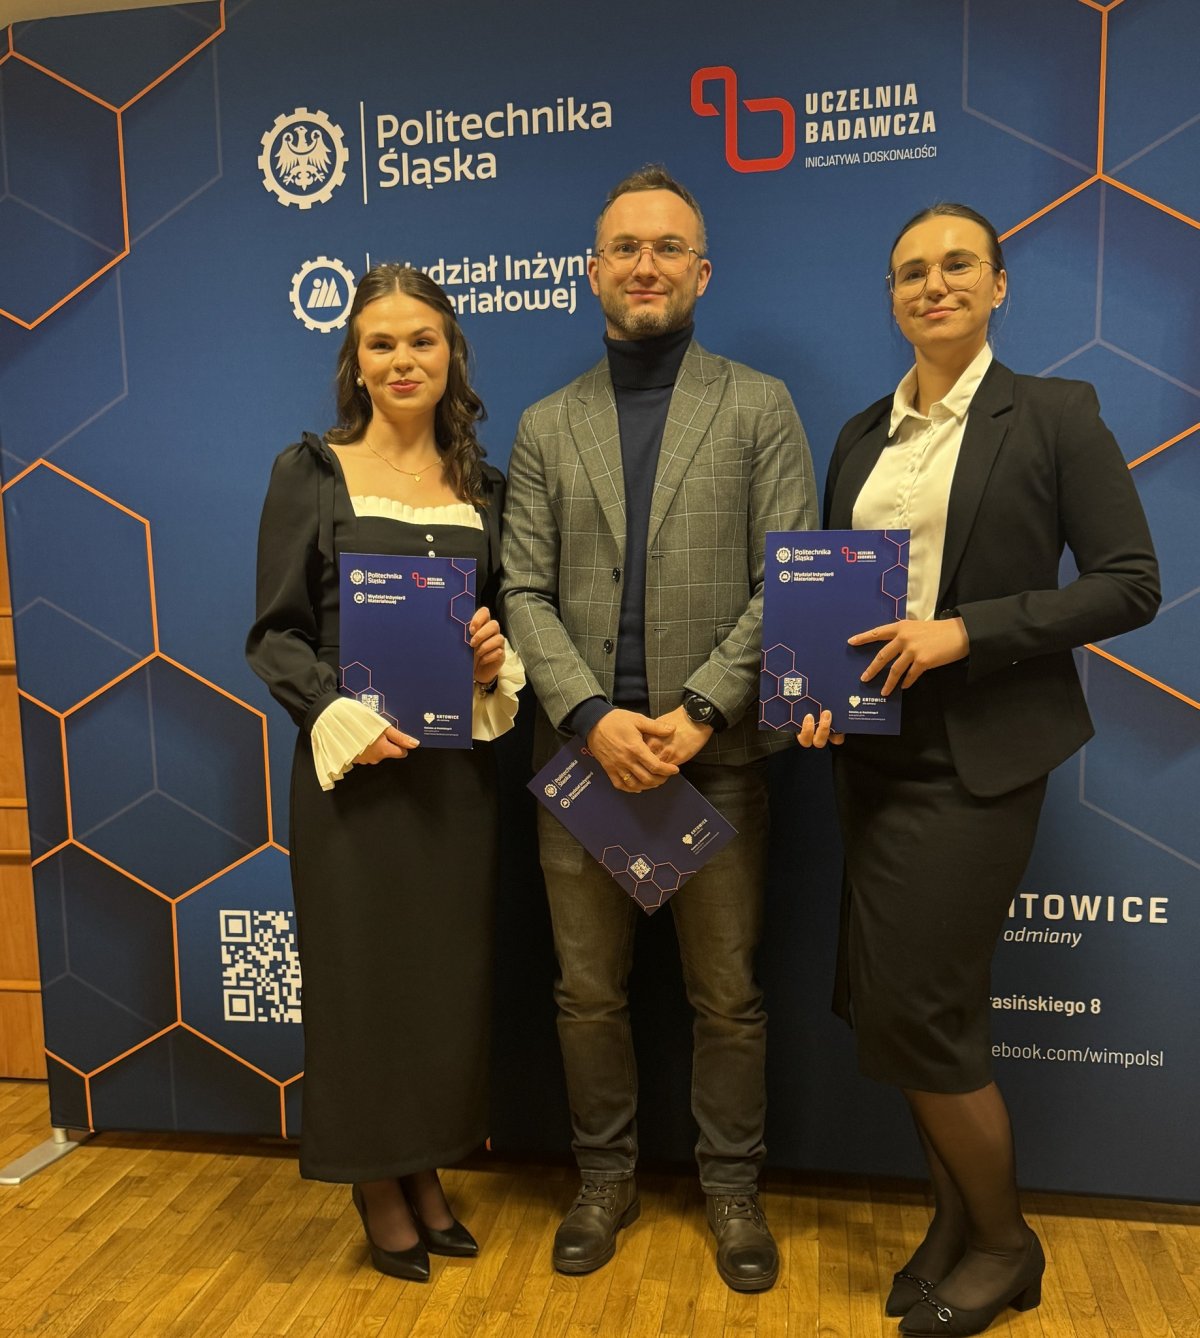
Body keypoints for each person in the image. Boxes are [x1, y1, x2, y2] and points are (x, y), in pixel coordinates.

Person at [799, 203, 1160, 1335]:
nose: (934, 285)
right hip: (875, 755)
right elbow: (835, 592)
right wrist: (816, 696)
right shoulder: (862, 434)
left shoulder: (1054, 414)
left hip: (980, 760)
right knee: (905, 1013)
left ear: (998, 285)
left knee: (924, 1013)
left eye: (959, 265)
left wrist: (968, 630)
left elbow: (1130, 583)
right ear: (893, 297)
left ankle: (1005, 1245)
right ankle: (954, 1226)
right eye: (911, 271)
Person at [501, 165, 817, 1292]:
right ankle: (605, 1179)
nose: (647, 265)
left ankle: (732, 1190)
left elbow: (790, 579)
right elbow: (522, 589)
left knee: (725, 999)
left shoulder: (760, 406)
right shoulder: (547, 424)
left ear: (702, 272)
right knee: (586, 993)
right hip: (582, 766)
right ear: (593, 272)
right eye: (626, 248)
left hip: (712, 759)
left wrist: (698, 711)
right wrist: (590, 717)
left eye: (668, 247)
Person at [246, 265, 523, 1282]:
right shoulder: (312, 471)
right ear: (354, 363)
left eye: (422, 340)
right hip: (352, 781)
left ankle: (425, 1168)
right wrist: (337, 715)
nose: (403, 360)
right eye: (381, 343)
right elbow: (274, 635)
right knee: (362, 984)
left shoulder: (487, 489)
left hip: (455, 780)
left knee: (441, 986)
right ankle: (376, 1183)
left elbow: (503, 627)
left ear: (452, 356)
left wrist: (492, 658)